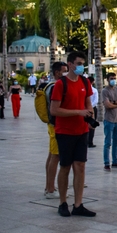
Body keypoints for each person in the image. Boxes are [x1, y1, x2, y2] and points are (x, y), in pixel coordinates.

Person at [49, 51, 96, 217]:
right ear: (69, 64)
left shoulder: (84, 81)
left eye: (83, 63)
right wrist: (78, 112)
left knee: (80, 166)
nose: (81, 66)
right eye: (78, 63)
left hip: (81, 131)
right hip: (65, 132)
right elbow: (54, 110)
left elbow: (88, 103)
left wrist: (90, 114)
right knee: (65, 167)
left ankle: (78, 204)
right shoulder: (61, 84)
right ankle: (63, 202)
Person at [44, 62, 68, 198]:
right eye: (64, 71)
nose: (66, 73)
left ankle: (48, 186)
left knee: (51, 155)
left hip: (51, 124)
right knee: (56, 156)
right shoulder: (55, 87)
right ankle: (51, 189)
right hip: (55, 125)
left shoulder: (49, 85)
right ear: (57, 72)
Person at [87, 76, 99, 148]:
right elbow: (96, 101)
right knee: (92, 125)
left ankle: (88, 141)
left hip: (88, 108)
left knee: (90, 125)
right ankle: (90, 142)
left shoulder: (93, 90)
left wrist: (88, 106)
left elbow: (96, 101)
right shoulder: (94, 90)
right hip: (92, 108)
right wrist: (90, 106)